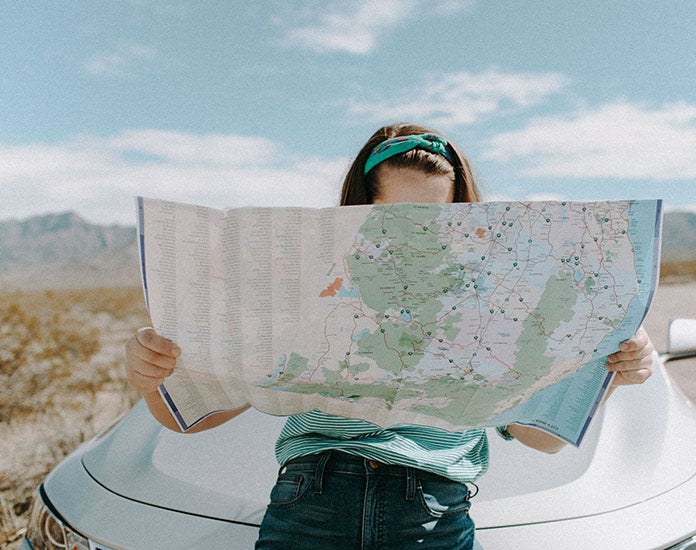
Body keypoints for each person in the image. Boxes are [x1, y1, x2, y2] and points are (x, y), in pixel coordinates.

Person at [125, 123, 655, 549]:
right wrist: (153, 375)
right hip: (311, 499)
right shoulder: (308, 282)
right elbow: (191, 419)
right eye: (394, 216)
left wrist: (607, 374)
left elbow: (540, 438)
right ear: (359, 210)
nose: (412, 232)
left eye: (432, 217)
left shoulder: (499, 296)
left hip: (434, 513)